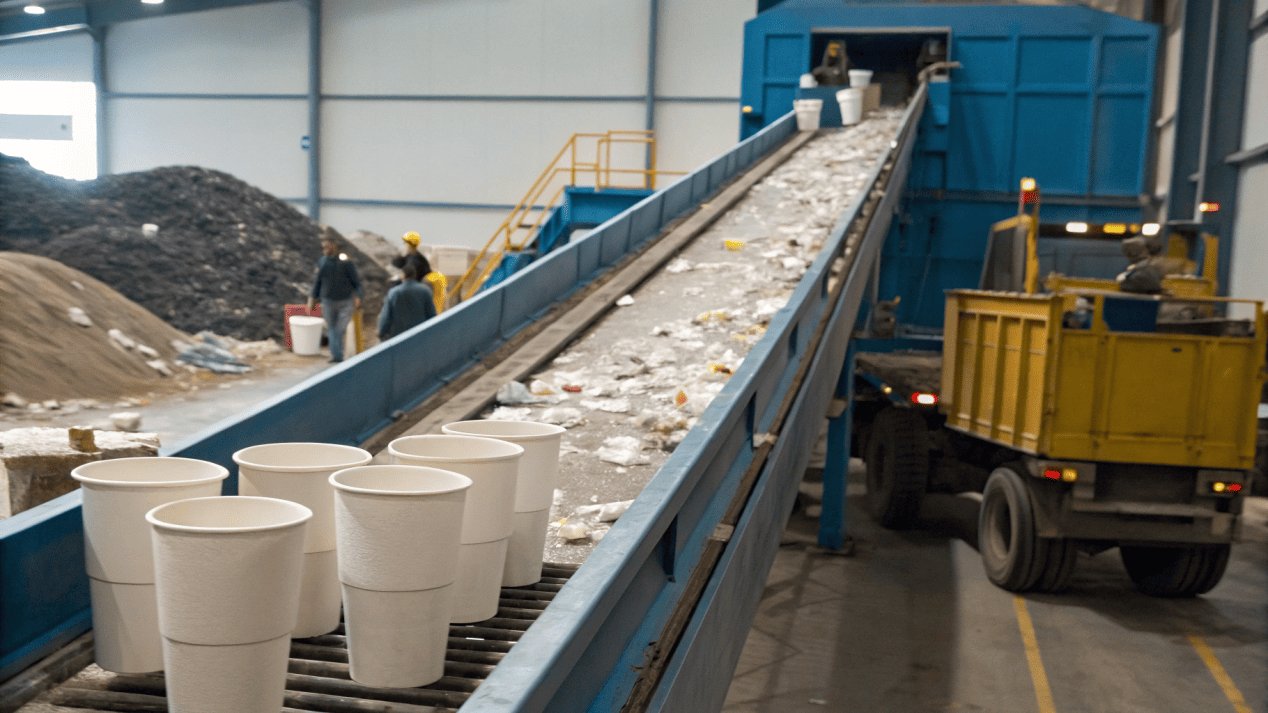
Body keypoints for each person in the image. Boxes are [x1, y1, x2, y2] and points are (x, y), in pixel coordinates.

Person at [307, 238, 363, 362]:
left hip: (345, 301)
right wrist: (312, 299)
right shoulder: (323, 262)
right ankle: (337, 355)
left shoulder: (346, 262)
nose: (326, 249)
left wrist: (359, 297)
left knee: (339, 329)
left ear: (335, 247)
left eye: (328, 246)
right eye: (324, 247)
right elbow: (318, 281)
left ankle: (337, 354)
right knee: (332, 328)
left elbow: (356, 281)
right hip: (327, 301)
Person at [378, 264, 437, 341]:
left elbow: (386, 316)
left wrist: (382, 333)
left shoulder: (393, 293)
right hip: (420, 337)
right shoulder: (425, 291)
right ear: (414, 275)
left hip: (399, 338)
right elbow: (432, 314)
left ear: (403, 275)